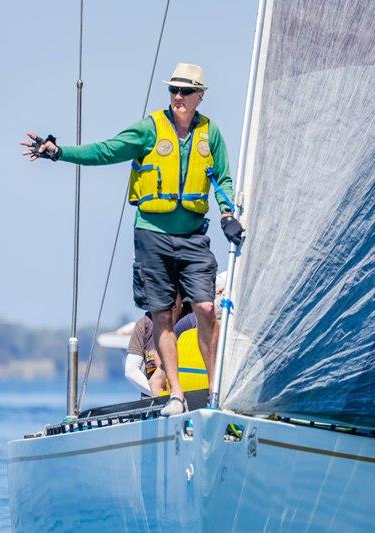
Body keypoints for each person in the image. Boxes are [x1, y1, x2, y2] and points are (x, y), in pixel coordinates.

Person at [22, 63, 244, 416]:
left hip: (192, 235)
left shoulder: (210, 133)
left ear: (201, 95)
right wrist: (59, 152)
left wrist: (228, 213)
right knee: (162, 315)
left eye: (185, 91)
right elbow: (106, 151)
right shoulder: (149, 129)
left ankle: (216, 394)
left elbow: (224, 179)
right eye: (173, 89)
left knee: (205, 307)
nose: (177, 96)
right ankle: (176, 395)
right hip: (152, 234)